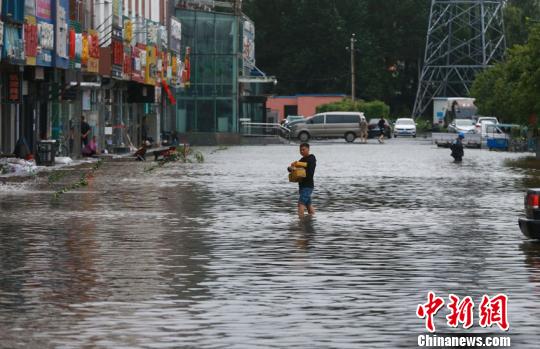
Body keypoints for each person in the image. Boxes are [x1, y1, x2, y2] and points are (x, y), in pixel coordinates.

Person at [291, 143, 316, 218]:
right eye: (300, 150)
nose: (302, 151)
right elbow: (295, 169)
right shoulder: (301, 160)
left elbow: (308, 169)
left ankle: (301, 222)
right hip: (302, 186)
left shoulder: (311, 158)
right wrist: (291, 168)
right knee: (308, 205)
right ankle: (312, 219)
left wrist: (297, 166)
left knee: (300, 204)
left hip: (308, 186)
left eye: (303, 150)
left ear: (308, 149)